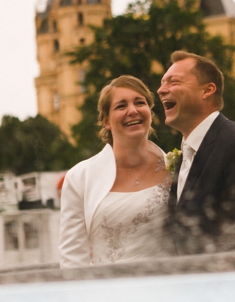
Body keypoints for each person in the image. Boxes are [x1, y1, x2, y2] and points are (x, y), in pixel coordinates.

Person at [159, 50, 235, 255]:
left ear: (207, 90)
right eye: (162, 82)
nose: (161, 90)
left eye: (173, 82)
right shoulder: (185, 157)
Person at [59, 75, 173, 268]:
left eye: (140, 102)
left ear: (150, 113)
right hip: (108, 292)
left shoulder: (177, 167)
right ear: (106, 121)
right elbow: (73, 257)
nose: (132, 110)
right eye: (121, 106)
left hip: (169, 288)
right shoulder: (80, 177)